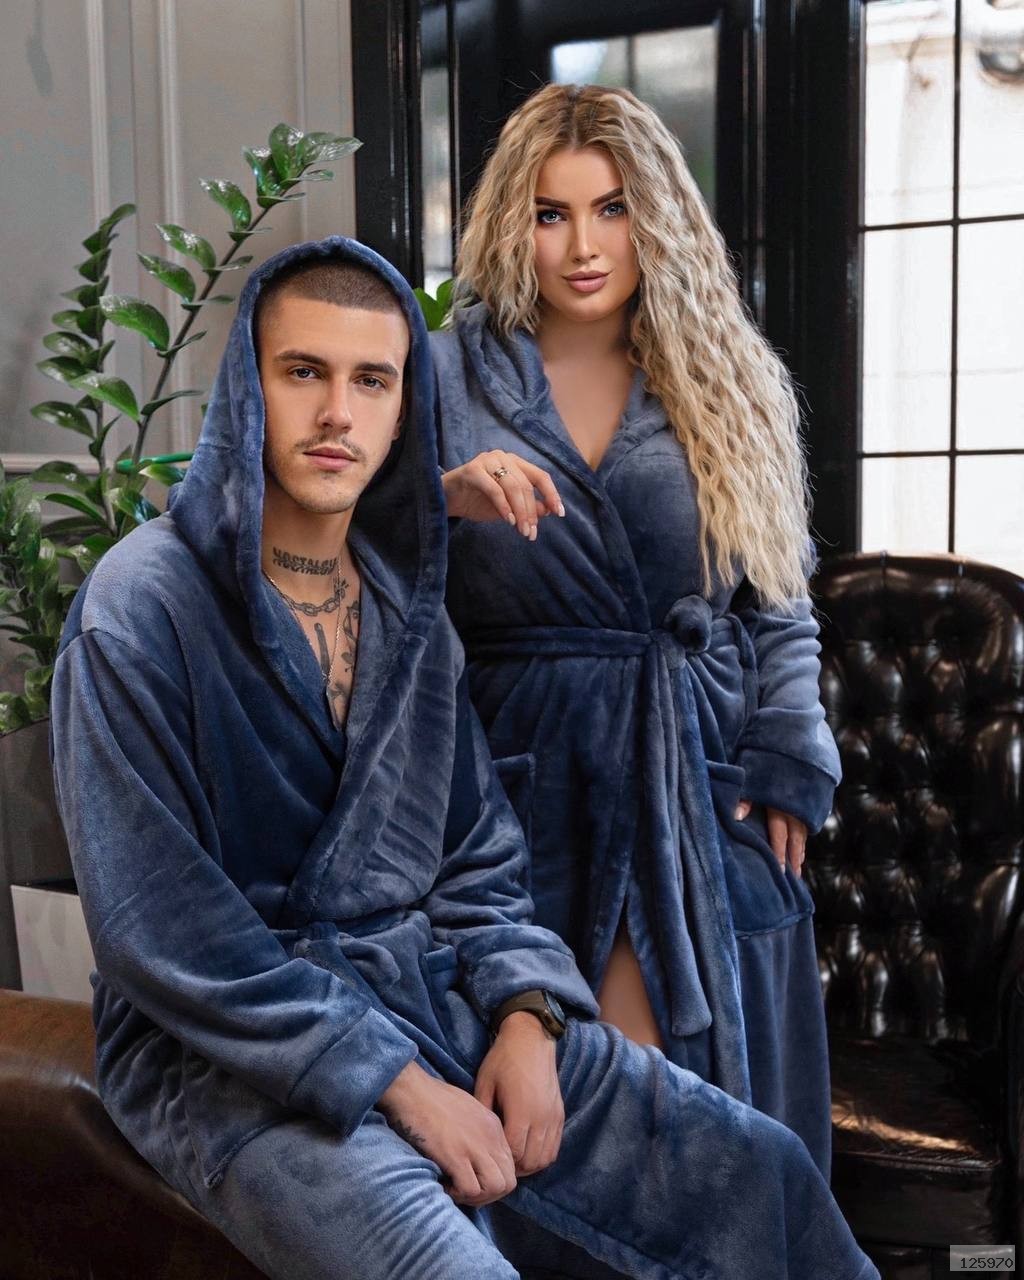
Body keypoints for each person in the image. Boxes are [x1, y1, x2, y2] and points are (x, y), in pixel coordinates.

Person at [48, 236, 876, 1280]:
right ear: (248, 391)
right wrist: (397, 1082)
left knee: (762, 1177)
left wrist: (528, 1014)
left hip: (432, 992)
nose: (337, 412)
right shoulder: (138, 610)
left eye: (372, 380)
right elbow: (161, 931)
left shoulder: (408, 615)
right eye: (302, 372)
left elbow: (480, 857)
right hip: (228, 1056)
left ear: (406, 408)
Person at [432, 82, 842, 1175]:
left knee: (681, 1115)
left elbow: (778, 597)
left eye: (611, 208)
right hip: (521, 779)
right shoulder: (447, 374)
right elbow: (361, 556)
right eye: (551, 213)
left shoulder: (725, 375)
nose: (583, 246)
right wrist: (441, 496)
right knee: (560, 1119)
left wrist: (790, 748)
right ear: (510, 221)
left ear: (655, 215)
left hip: (695, 773)